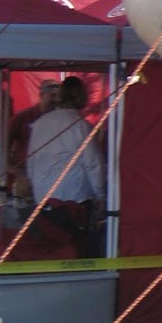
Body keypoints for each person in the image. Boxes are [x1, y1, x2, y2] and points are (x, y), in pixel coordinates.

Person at [25, 77, 105, 257]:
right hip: (75, 203)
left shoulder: (39, 124)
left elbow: (31, 163)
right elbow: (94, 165)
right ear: (80, 97)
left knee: (52, 251)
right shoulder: (81, 126)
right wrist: (101, 195)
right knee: (79, 251)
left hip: (44, 201)